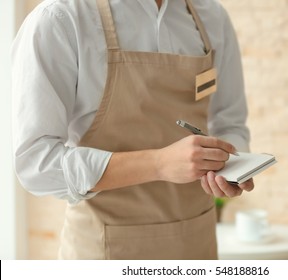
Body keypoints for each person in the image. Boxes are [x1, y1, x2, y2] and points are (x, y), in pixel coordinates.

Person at [12, 0, 253, 259]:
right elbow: (36, 163)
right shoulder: (61, 18)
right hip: (105, 250)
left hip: (196, 245)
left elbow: (230, 123)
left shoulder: (212, 17)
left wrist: (231, 168)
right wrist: (159, 164)